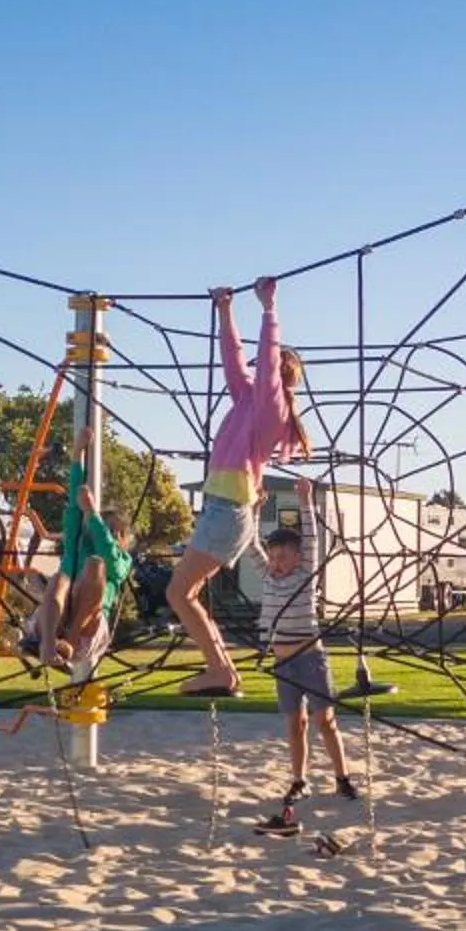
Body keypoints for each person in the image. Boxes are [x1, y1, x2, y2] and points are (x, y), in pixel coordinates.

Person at [167, 276, 310, 697]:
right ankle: (222, 671)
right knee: (184, 592)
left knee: (179, 591)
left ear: (280, 377)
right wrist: (225, 311)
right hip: (224, 509)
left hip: (228, 511)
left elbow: (263, 367)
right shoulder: (247, 399)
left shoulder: (272, 412)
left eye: (270, 367)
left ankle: (220, 670)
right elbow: (235, 360)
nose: (257, 371)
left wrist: (269, 309)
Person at [252, 481, 358, 812]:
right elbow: (248, 544)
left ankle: (342, 778)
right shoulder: (268, 577)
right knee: (294, 724)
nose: (277, 562)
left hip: (311, 658)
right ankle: (299, 780)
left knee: (325, 720)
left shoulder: (305, 577)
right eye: (273, 556)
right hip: (284, 664)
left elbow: (311, 539)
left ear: (298, 558)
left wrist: (304, 501)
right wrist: (255, 510)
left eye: (284, 556)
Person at [21, 459, 132, 679]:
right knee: (60, 578)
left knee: (95, 565)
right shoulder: (74, 548)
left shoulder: (122, 560)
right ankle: (49, 644)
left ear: (120, 538)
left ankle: (66, 643)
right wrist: (78, 453)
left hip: (85, 633)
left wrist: (92, 511)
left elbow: (108, 555)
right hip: (53, 624)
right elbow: (73, 507)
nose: (98, 532)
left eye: (108, 530)